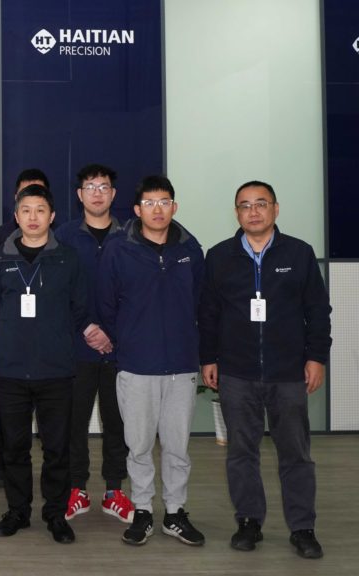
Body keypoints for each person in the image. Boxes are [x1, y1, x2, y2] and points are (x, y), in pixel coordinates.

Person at [199, 180, 331, 559]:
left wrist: (316, 357)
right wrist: (208, 358)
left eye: (261, 203)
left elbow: (317, 311)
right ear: (236, 212)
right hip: (236, 372)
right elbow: (208, 313)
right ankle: (248, 521)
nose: (253, 212)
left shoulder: (299, 253)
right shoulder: (219, 256)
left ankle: (302, 528)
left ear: (275, 208)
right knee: (242, 451)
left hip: (288, 372)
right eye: (245, 205)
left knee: (296, 453)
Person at [97, 175, 206, 547]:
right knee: (139, 445)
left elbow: (201, 302)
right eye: (149, 203)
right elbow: (106, 305)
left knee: (177, 446)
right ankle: (142, 510)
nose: (157, 209)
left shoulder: (190, 249)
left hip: (181, 365)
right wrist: (128, 341)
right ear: (137, 209)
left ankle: (175, 512)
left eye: (164, 202)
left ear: (174, 207)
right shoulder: (118, 249)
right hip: (136, 365)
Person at [0, 184, 89, 544]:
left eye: (40, 210)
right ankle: (18, 511)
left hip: (55, 369)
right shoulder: (1, 258)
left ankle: (56, 514)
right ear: (16, 216)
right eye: (26, 210)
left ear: (52, 216)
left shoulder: (68, 258)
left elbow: (79, 307)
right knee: (14, 447)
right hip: (11, 369)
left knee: (57, 448)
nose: (33, 217)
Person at [54, 164, 132, 523]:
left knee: (118, 422)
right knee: (75, 423)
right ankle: (77, 490)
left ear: (113, 194)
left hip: (119, 350)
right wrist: (87, 327)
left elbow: (136, 294)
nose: (97, 193)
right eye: (90, 187)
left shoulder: (130, 236)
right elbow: (59, 290)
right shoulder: (64, 236)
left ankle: (115, 490)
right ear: (79, 195)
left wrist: (111, 334)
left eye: (104, 186)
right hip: (76, 346)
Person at [0, 168, 49, 487]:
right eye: (25, 196)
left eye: (39, 196)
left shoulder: (61, 243)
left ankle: (52, 474)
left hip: (49, 346)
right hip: (12, 344)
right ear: (15, 202)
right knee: (6, 411)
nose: (32, 209)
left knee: (51, 415)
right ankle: (2, 462)